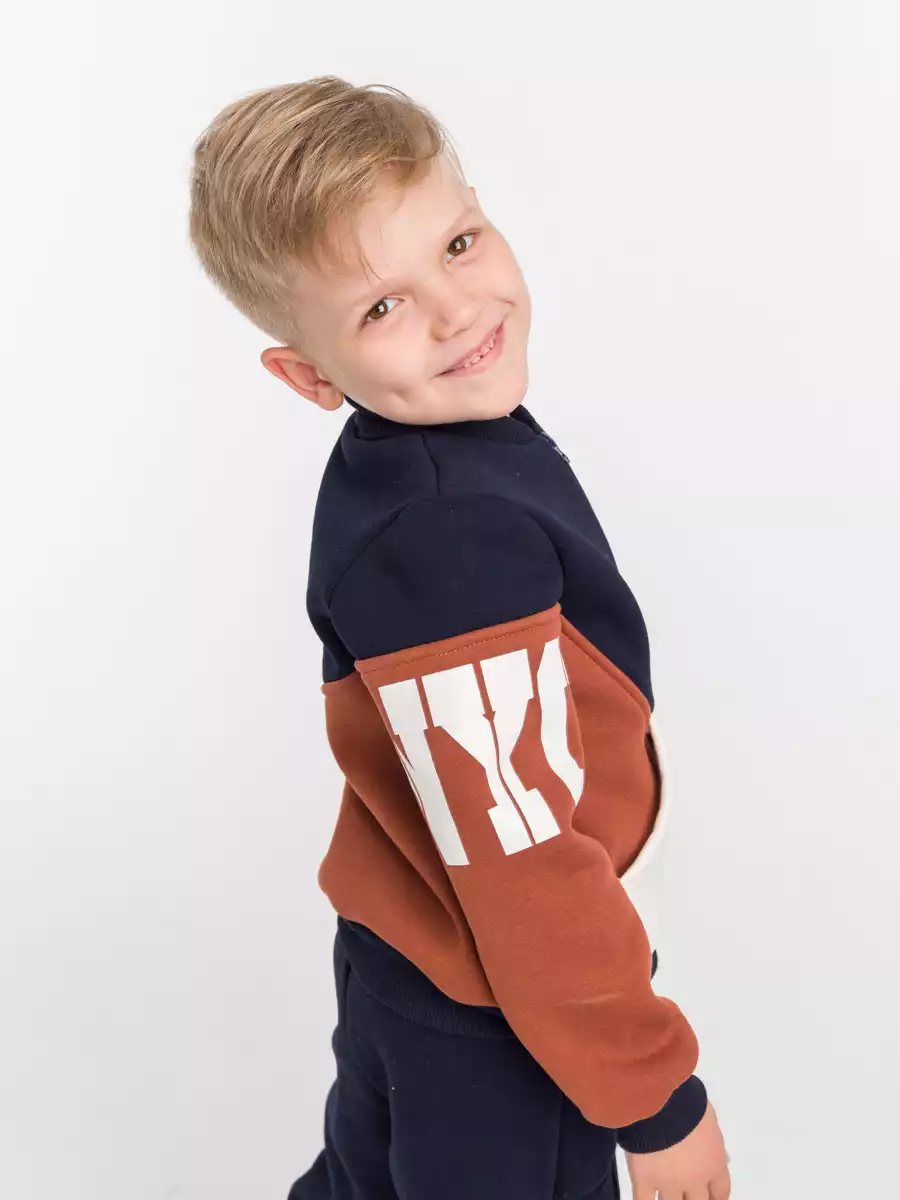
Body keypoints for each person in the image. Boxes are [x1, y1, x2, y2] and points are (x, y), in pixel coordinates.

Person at [188, 75, 732, 1200]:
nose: (456, 312)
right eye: (381, 307)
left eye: (459, 243)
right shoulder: (447, 539)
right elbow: (522, 868)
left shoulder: (437, 450)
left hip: (408, 951)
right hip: (496, 1015)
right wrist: (654, 1099)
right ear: (307, 375)